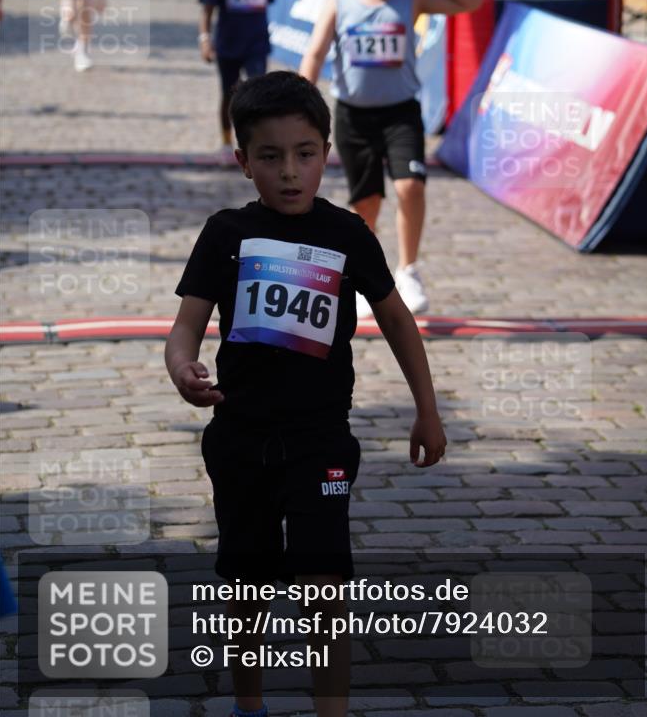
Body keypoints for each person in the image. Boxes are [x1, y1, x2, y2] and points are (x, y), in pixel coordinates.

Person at [165, 70, 446, 717]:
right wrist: (183, 369)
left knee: (325, 588)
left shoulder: (347, 234)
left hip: (320, 439)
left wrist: (426, 410)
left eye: (304, 154)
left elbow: (398, 319)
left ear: (327, 153)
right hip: (238, 440)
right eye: (270, 157)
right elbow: (185, 328)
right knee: (247, 585)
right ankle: (249, 703)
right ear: (242, 162)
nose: (289, 172)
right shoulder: (224, 234)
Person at [300, 0, 482, 316]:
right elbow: (314, 53)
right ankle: (367, 279)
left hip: (401, 114)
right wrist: (301, 102)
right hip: (353, 116)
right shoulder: (340, 1)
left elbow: (471, 1)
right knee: (365, 205)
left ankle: (409, 269)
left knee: (410, 187)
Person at [198, 0, 274, 164]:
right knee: (229, 95)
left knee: (259, 96)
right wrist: (205, 39)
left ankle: (258, 143)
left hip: (256, 46)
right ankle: (225, 141)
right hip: (228, 46)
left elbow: (265, 7)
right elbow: (207, 9)